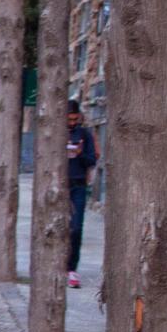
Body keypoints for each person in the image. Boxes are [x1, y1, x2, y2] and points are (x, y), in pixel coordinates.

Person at [65, 101, 98, 288]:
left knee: (76, 228)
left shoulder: (84, 134)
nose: (71, 123)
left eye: (75, 120)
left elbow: (92, 160)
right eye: (69, 120)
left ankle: (72, 268)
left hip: (78, 185)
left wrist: (79, 153)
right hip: (59, 185)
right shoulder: (55, 133)